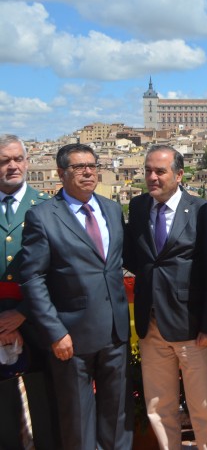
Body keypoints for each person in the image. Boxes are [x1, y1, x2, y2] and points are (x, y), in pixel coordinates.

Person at [19, 143, 132, 449]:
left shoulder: (110, 209)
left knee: (118, 420)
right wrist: (55, 332)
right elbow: (32, 278)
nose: (87, 172)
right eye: (78, 167)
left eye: (92, 166)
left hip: (115, 333)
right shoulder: (42, 216)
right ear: (61, 173)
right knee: (78, 423)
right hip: (71, 338)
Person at [124, 145, 207, 449]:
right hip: (151, 327)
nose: (152, 177)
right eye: (148, 171)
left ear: (179, 175)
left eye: (160, 171)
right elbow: (134, 257)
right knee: (158, 408)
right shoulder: (139, 207)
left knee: (203, 408)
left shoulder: (202, 209)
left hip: (193, 329)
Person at [0, 134, 55, 449]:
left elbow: (57, 271)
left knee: (43, 403)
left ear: (27, 162)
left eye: (17, 159)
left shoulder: (46, 208)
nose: (12, 166)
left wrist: (21, 314)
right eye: (4, 160)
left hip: (35, 318)